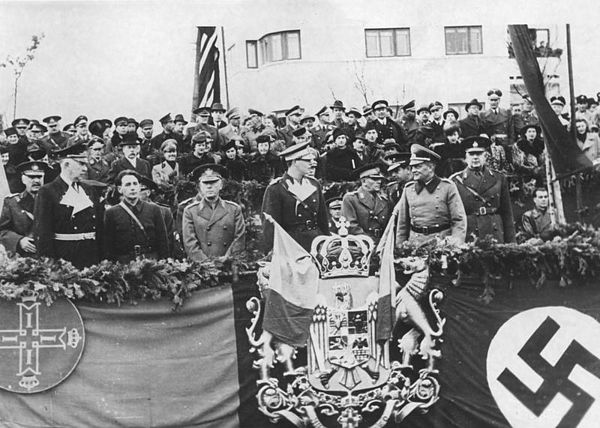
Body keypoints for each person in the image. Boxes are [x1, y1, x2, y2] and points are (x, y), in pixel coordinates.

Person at [33, 143, 104, 268]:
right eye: (81, 164)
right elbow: (43, 231)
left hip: (91, 256)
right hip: (65, 258)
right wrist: (49, 261)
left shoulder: (89, 190)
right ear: (66, 165)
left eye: (85, 164)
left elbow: (99, 226)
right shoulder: (48, 191)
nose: (85, 169)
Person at [261, 141, 329, 252]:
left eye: (313, 160)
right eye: (307, 160)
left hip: (316, 243)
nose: (313, 163)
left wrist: (326, 242)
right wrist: (272, 252)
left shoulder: (314, 184)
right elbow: (270, 227)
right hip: (291, 246)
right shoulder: (276, 188)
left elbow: (323, 219)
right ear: (294, 161)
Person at [396, 144, 467, 246]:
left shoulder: (447, 187)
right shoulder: (408, 189)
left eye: (418, 166)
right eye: (412, 167)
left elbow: (458, 220)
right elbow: (402, 225)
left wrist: (455, 243)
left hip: (441, 244)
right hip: (415, 244)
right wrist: (400, 246)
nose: (413, 170)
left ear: (430, 167)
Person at [451, 136, 515, 243]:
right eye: (471, 154)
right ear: (466, 157)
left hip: (494, 232)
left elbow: (507, 213)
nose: (475, 157)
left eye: (479, 154)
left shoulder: (499, 178)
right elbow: (452, 217)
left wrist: (511, 242)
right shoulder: (456, 181)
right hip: (470, 234)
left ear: (485, 156)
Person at [182, 164, 246, 262]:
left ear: (221, 185)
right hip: (201, 267)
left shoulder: (234, 209)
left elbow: (239, 239)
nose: (209, 186)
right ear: (199, 187)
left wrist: (226, 259)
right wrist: (206, 263)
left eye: (213, 182)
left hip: (228, 265)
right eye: (205, 183)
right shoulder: (190, 211)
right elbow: (189, 243)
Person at [103, 170, 169, 263]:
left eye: (135, 184)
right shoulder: (112, 213)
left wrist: (164, 262)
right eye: (128, 185)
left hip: (151, 263)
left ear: (140, 187)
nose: (132, 188)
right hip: (124, 266)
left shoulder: (154, 209)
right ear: (119, 189)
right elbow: (108, 245)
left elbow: (163, 241)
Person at [0, 161, 51, 256]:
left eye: (39, 177)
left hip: (51, 256)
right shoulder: (12, 202)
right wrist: (19, 240)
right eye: (31, 177)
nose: (36, 181)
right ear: (23, 179)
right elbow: (2, 231)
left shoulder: (53, 200)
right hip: (24, 258)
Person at [341, 164, 391, 244]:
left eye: (379, 179)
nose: (379, 182)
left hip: (381, 243)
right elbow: (352, 226)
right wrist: (369, 242)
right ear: (363, 181)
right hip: (360, 244)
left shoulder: (384, 201)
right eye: (374, 179)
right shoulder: (351, 199)